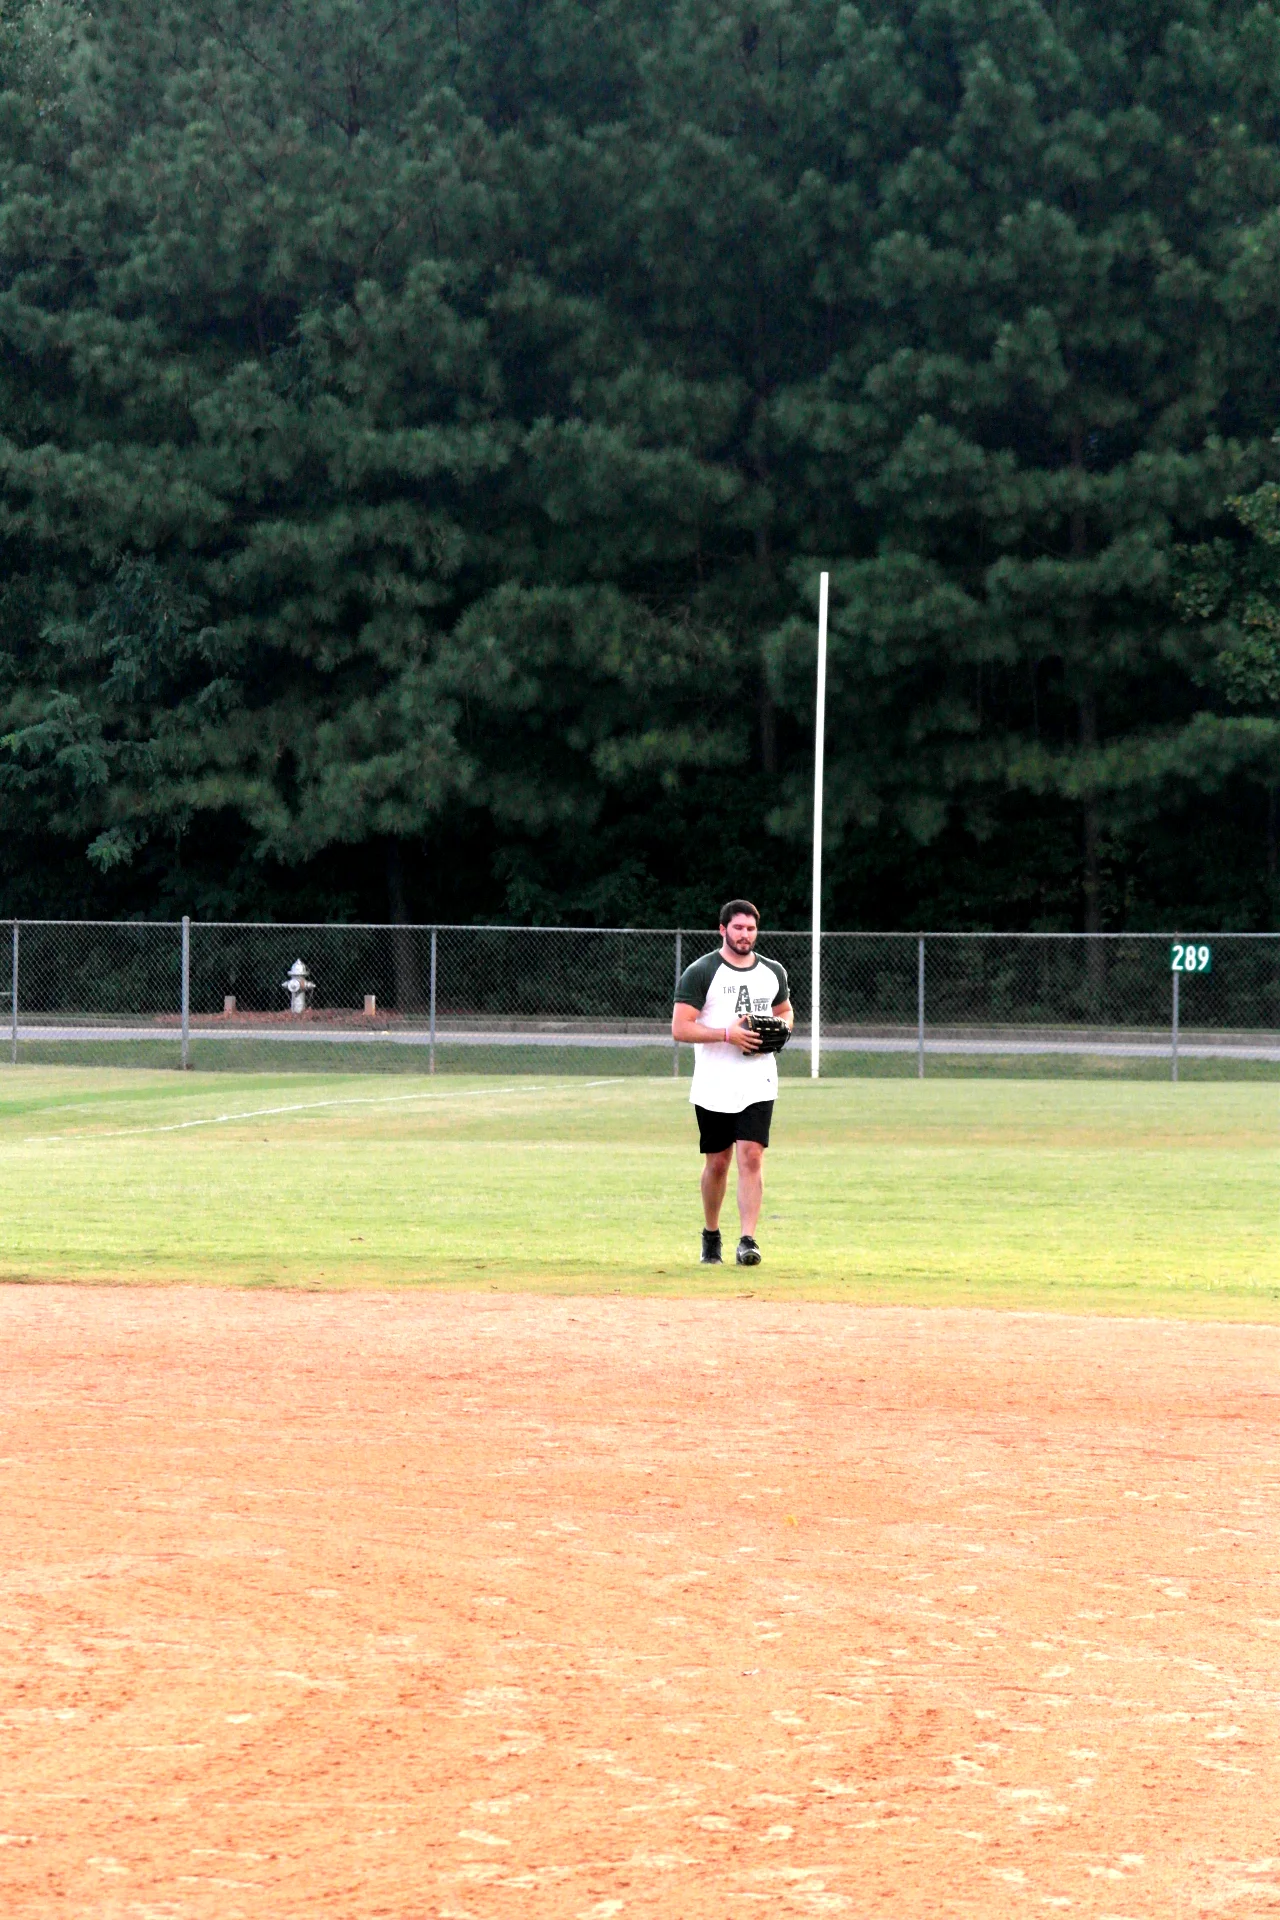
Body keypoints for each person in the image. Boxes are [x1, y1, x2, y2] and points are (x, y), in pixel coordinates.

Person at [671, 900, 793, 1267]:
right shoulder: (702, 971)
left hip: (758, 1079)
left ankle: (747, 1240)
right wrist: (727, 1034)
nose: (745, 935)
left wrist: (781, 1030)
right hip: (715, 1082)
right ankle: (711, 1234)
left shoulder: (772, 972)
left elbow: (785, 1011)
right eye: (738, 928)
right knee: (718, 1163)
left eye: (751, 929)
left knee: (751, 1155)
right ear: (722, 929)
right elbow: (680, 1027)